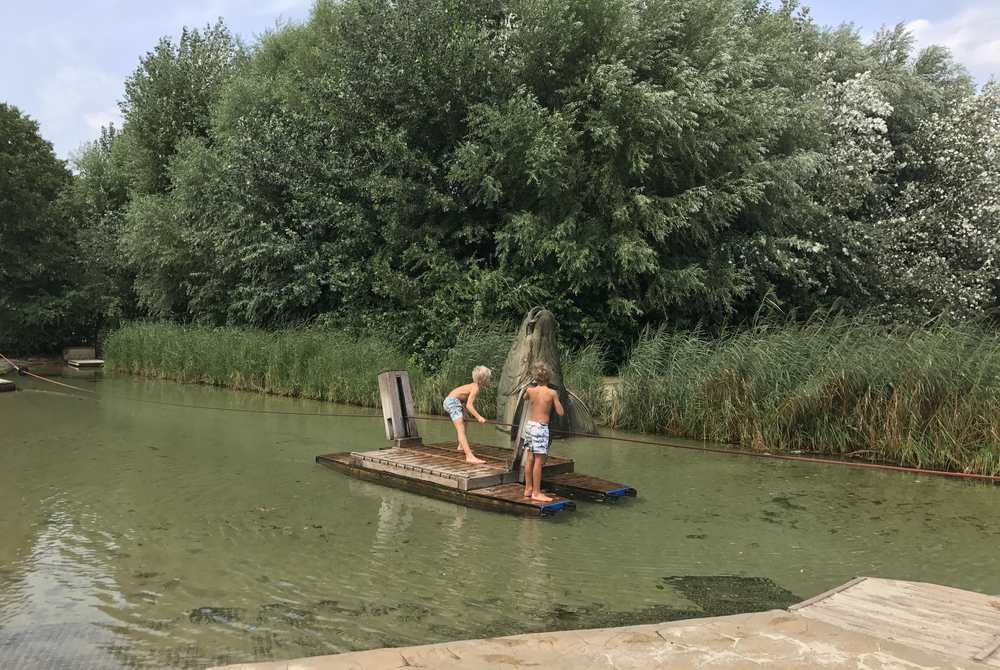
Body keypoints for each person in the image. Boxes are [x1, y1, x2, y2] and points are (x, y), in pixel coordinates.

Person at [521, 362, 564, 502]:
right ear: (549, 378)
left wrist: (531, 387)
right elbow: (560, 412)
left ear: (536, 378)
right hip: (540, 428)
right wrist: (555, 400)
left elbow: (524, 398)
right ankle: (537, 492)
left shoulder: (530, 390)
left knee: (530, 458)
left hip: (530, 426)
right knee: (539, 461)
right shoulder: (552, 393)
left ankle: (528, 488)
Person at [443, 366, 491, 464]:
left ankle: (461, 446)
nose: (489, 380)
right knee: (461, 429)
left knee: (465, 421)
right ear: (483, 380)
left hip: (454, 401)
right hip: (452, 402)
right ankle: (469, 456)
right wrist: (479, 417)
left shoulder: (474, 386)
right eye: (488, 378)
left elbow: (464, 400)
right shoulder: (476, 388)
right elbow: (469, 405)